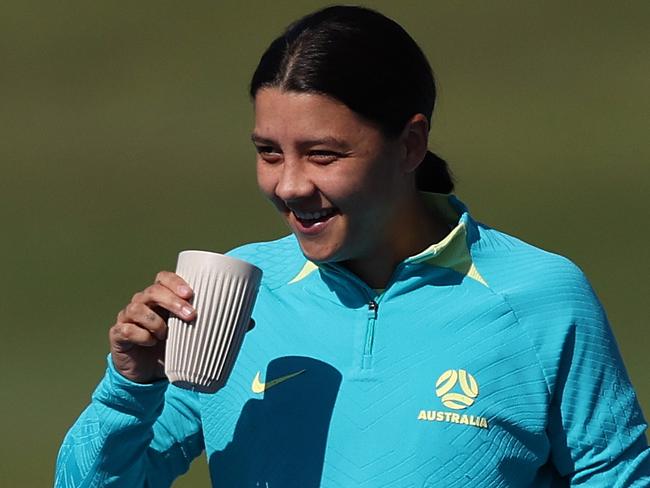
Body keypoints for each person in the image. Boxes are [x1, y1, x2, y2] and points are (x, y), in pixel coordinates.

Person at [55, 5, 649, 487]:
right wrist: (130, 386)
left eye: (323, 155)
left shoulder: (538, 297)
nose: (288, 185)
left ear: (410, 145)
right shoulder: (231, 298)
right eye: (268, 152)